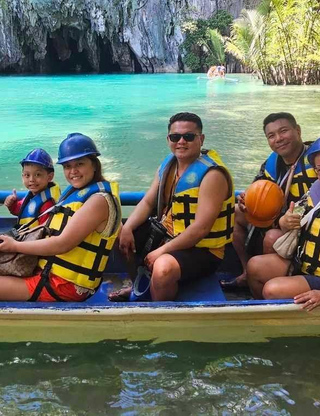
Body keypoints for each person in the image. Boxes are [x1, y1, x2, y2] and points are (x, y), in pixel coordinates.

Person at [0, 133, 121, 302]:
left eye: (79, 164)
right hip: (50, 270)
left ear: (94, 164)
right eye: (67, 166)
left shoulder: (98, 201)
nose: (73, 171)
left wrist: (16, 247)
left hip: (65, 284)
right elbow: (46, 230)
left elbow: (62, 244)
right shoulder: (77, 193)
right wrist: (5, 240)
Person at [110, 112, 235, 301]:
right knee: (118, 235)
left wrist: (161, 251)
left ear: (201, 139)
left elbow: (201, 228)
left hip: (203, 251)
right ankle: (140, 287)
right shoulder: (168, 165)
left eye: (189, 137)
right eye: (175, 137)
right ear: (168, 139)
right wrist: (127, 228)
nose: (181, 142)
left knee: (163, 267)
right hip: (168, 235)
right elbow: (148, 202)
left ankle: (159, 312)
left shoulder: (212, 175)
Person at [225, 112, 317, 289]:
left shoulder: (315, 161)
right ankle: (246, 271)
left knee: (271, 236)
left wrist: (287, 220)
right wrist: (245, 200)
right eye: (271, 136)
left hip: (304, 224)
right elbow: (256, 187)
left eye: (283, 131)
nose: (278, 139)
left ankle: (270, 279)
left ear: (297, 130)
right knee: (235, 212)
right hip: (277, 217)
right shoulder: (272, 164)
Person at [246, 138, 320, 307]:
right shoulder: (316, 190)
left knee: (272, 289)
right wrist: (285, 221)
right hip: (305, 264)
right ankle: (261, 313)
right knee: (255, 266)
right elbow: (292, 219)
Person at [3, 148, 61, 228]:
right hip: (27, 237)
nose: (31, 180)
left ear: (50, 177)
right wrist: (12, 205)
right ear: (22, 176)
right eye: (27, 175)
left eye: (38, 175)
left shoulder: (48, 204)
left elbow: (44, 231)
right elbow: (22, 211)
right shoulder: (32, 196)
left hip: (34, 239)